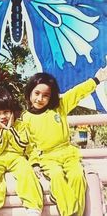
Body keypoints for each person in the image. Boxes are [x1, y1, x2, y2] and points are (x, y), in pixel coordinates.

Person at [23, 67, 107, 216]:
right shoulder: (26, 118)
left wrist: (96, 80)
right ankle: (68, 211)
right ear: (30, 92)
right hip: (47, 158)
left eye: (45, 95)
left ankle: (77, 213)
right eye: (37, 93)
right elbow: (30, 145)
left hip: (68, 153)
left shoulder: (59, 107)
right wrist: (34, 163)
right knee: (56, 175)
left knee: (77, 175)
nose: (40, 98)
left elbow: (77, 92)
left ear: (51, 97)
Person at [0, 84, 43, 216]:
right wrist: (3, 132)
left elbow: (22, 147)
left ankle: (33, 207)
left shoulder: (20, 125)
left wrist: (11, 130)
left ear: (12, 111)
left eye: (6, 112)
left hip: (16, 157)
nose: (2, 116)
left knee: (26, 172)